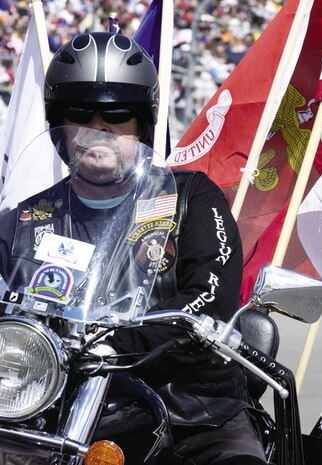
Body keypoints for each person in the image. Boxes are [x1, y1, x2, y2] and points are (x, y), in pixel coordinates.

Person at [0, 32, 266, 465]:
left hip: (190, 408)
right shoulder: (30, 217)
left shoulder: (191, 198)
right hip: (59, 408)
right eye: (79, 113)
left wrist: (114, 340)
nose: (98, 127)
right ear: (57, 127)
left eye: (117, 114)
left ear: (141, 124)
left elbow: (209, 298)